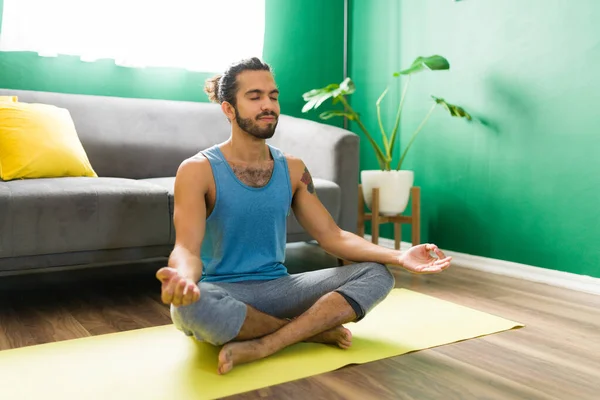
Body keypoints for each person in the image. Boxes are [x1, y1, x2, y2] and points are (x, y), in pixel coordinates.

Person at [156, 57, 452, 375]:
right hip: (226, 291)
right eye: (255, 97)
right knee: (187, 310)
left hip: (281, 289)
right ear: (229, 109)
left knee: (378, 274)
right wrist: (184, 280)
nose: (268, 105)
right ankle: (312, 331)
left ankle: (267, 343)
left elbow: (332, 236)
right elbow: (186, 248)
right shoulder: (197, 170)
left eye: (273, 95)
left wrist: (399, 255)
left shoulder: (293, 169)